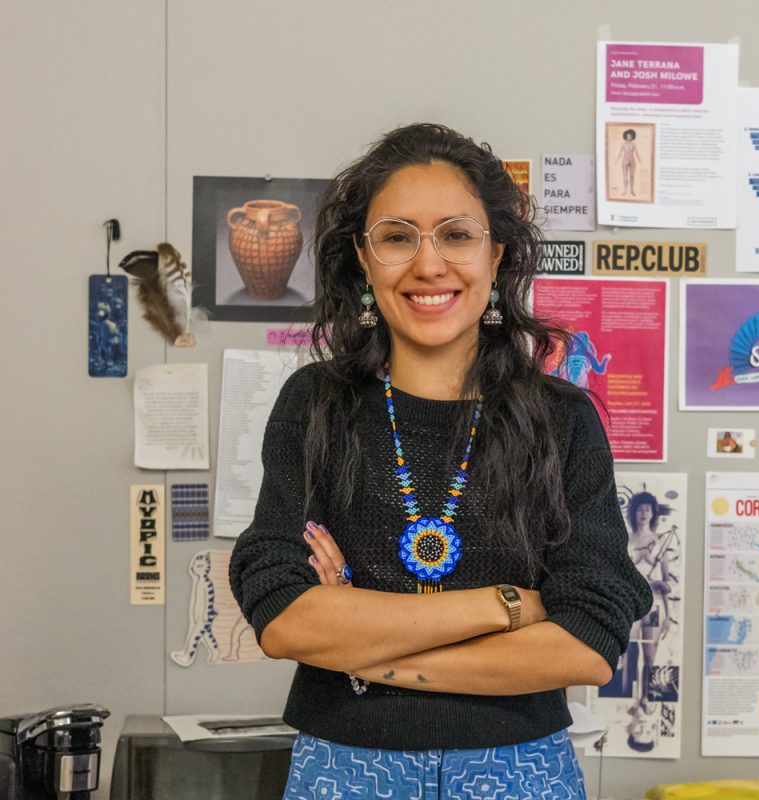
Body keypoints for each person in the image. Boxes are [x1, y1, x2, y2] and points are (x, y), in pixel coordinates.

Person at [229, 123, 652, 798]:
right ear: (364, 260)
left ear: (497, 254)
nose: (429, 265)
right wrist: (507, 604)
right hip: (345, 770)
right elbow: (285, 619)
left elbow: (586, 645)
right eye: (398, 237)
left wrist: (362, 650)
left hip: (519, 773)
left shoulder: (561, 420)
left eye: (457, 234)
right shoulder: (315, 404)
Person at [622, 491, 679, 752]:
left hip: (654, 606)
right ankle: (633, 699)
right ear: (634, 512)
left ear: (654, 514)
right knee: (628, 655)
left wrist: (660, 589)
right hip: (631, 606)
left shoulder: (660, 543)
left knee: (650, 658)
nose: (644, 513)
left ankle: (645, 698)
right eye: (640, 509)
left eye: (648, 509)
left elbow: (668, 582)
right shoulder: (627, 541)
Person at [616, 128, 641, 197]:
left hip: (632, 161)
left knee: (632, 176)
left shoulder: (634, 144)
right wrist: (616, 160)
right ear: (625, 136)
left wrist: (640, 161)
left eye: (630, 136)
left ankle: (632, 190)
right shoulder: (623, 144)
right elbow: (620, 153)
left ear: (632, 136)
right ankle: (625, 190)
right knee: (625, 177)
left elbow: (637, 153)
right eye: (627, 136)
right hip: (625, 161)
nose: (628, 137)